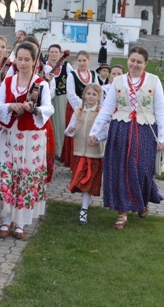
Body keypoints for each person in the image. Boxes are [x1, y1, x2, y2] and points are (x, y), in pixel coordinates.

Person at [89, 46, 164, 229]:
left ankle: (142, 201)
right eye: (132, 60)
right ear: (128, 61)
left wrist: (163, 137)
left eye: (139, 61)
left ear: (145, 63)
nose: (135, 64)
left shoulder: (154, 81)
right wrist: (94, 132)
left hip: (145, 130)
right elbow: (107, 110)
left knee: (142, 169)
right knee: (120, 170)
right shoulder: (118, 81)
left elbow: (161, 110)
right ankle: (122, 213)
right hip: (120, 129)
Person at [0, 41, 54, 240]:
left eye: (27, 59)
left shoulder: (40, 83)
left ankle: (20, 223)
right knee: (7, 176)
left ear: (35, 61)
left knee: (24, 179)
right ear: (15, 59)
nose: (23, 63)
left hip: (31, 138)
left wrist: (33, 109)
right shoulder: (8, 81)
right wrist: (11, 106)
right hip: (7, 136)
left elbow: (48, 108)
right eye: (20, 59)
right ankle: (6, 219)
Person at [64, 83, 107, 225]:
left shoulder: (101, 112)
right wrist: (70, 130)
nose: (90, 97)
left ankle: (84, 209)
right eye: (88, 94)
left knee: (87, 181)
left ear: (99, 97)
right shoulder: (78, 111)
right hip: (79, 151)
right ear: (84, 95)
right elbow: (71, 128)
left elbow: (106, 130)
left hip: (94, 152)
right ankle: (84, 204)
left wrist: (98, 137)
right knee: (80, 180)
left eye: (94, 94)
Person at [61, 51, 98, 167]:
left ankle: (87, 161)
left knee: (87, 132)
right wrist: (82, 106)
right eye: (79, 60)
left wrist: (92, 106)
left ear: (89, 61)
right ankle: (74, 162)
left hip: (91, 109)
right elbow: (71, 94)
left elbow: (97, 90)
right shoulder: (72, 75)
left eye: (84, 60)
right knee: (75, 132)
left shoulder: (93, 74)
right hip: (75, 108)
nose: (81, 63)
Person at [46, 44, 72, 159]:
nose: (54, 54)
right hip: (48, 97)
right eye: (52, 52)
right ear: (48, 53)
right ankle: (50, 149)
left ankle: (60, 150)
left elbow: (72, 79)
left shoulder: (66, 66)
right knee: (50, 123)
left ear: (60, 53)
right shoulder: (45, 66)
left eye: (56, 52)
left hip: (61, 96)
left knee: (61, 123)